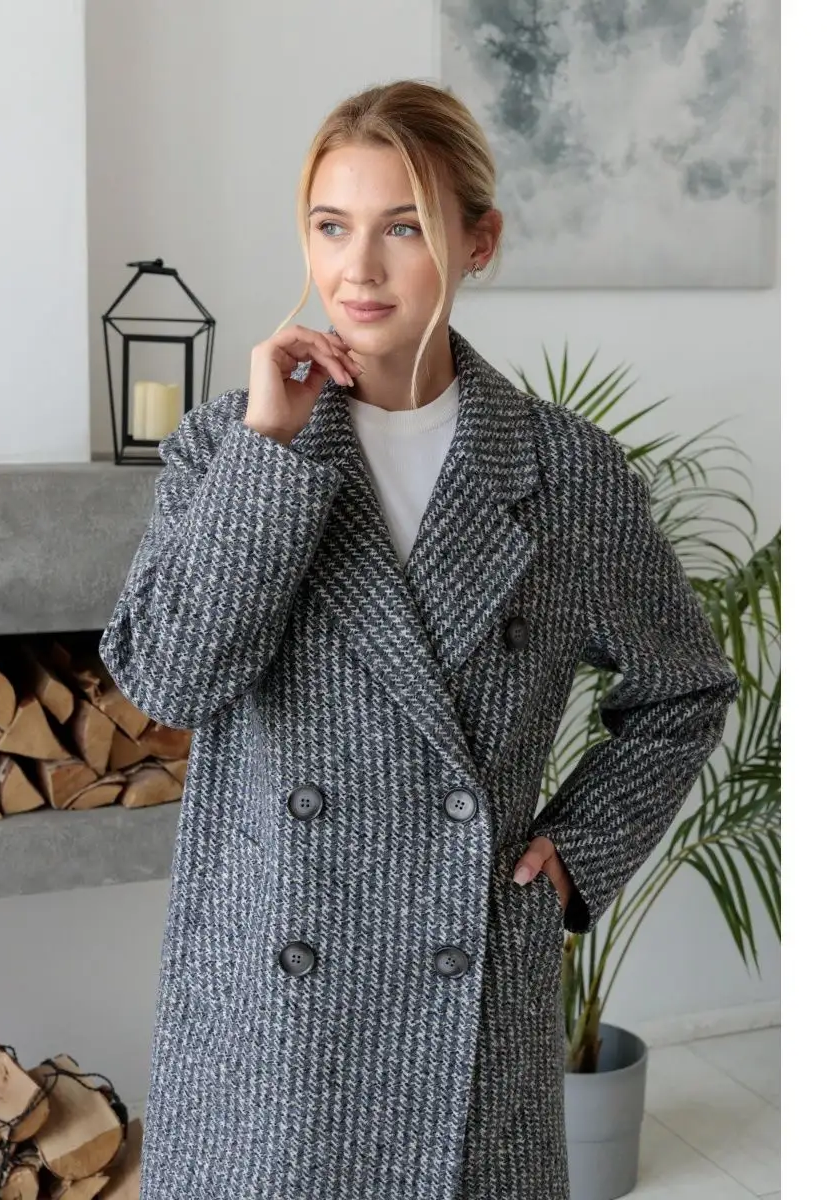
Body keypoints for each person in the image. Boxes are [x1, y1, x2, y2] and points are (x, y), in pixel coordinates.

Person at [99, 79, 740, 1200]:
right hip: (270, 1012)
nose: (358, 268)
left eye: (403, 228)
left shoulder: (564, 472)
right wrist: (268, 452)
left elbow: (683, 689)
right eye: (331, 226)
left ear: (477, 242)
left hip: (468, 992)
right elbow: (169, 679)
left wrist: (580, 852)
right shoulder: (228, 444)